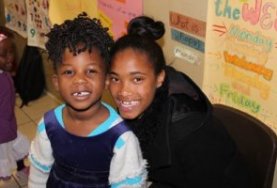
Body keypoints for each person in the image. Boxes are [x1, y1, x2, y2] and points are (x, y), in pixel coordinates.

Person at [108, 16, 251, 188]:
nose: (123, 91)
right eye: (115, 79)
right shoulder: (141, 101)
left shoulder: (187, 130)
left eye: (137, 79)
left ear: (159, 77)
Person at [28, 13, 147, 188]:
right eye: (69, 72)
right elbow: (38, 175)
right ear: (56, 83)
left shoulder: (121, 139)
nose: (80, 80)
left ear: (106, 80)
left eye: (91, 71)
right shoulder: (48, 125)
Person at [0, 27, 30, 181]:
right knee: (4, 152)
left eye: (11, 52)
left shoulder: (5, 74)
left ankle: (21, 167)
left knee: (15, 146)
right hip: (2, 128)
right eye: (3, 55)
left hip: (9, 122)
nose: (9, 58)